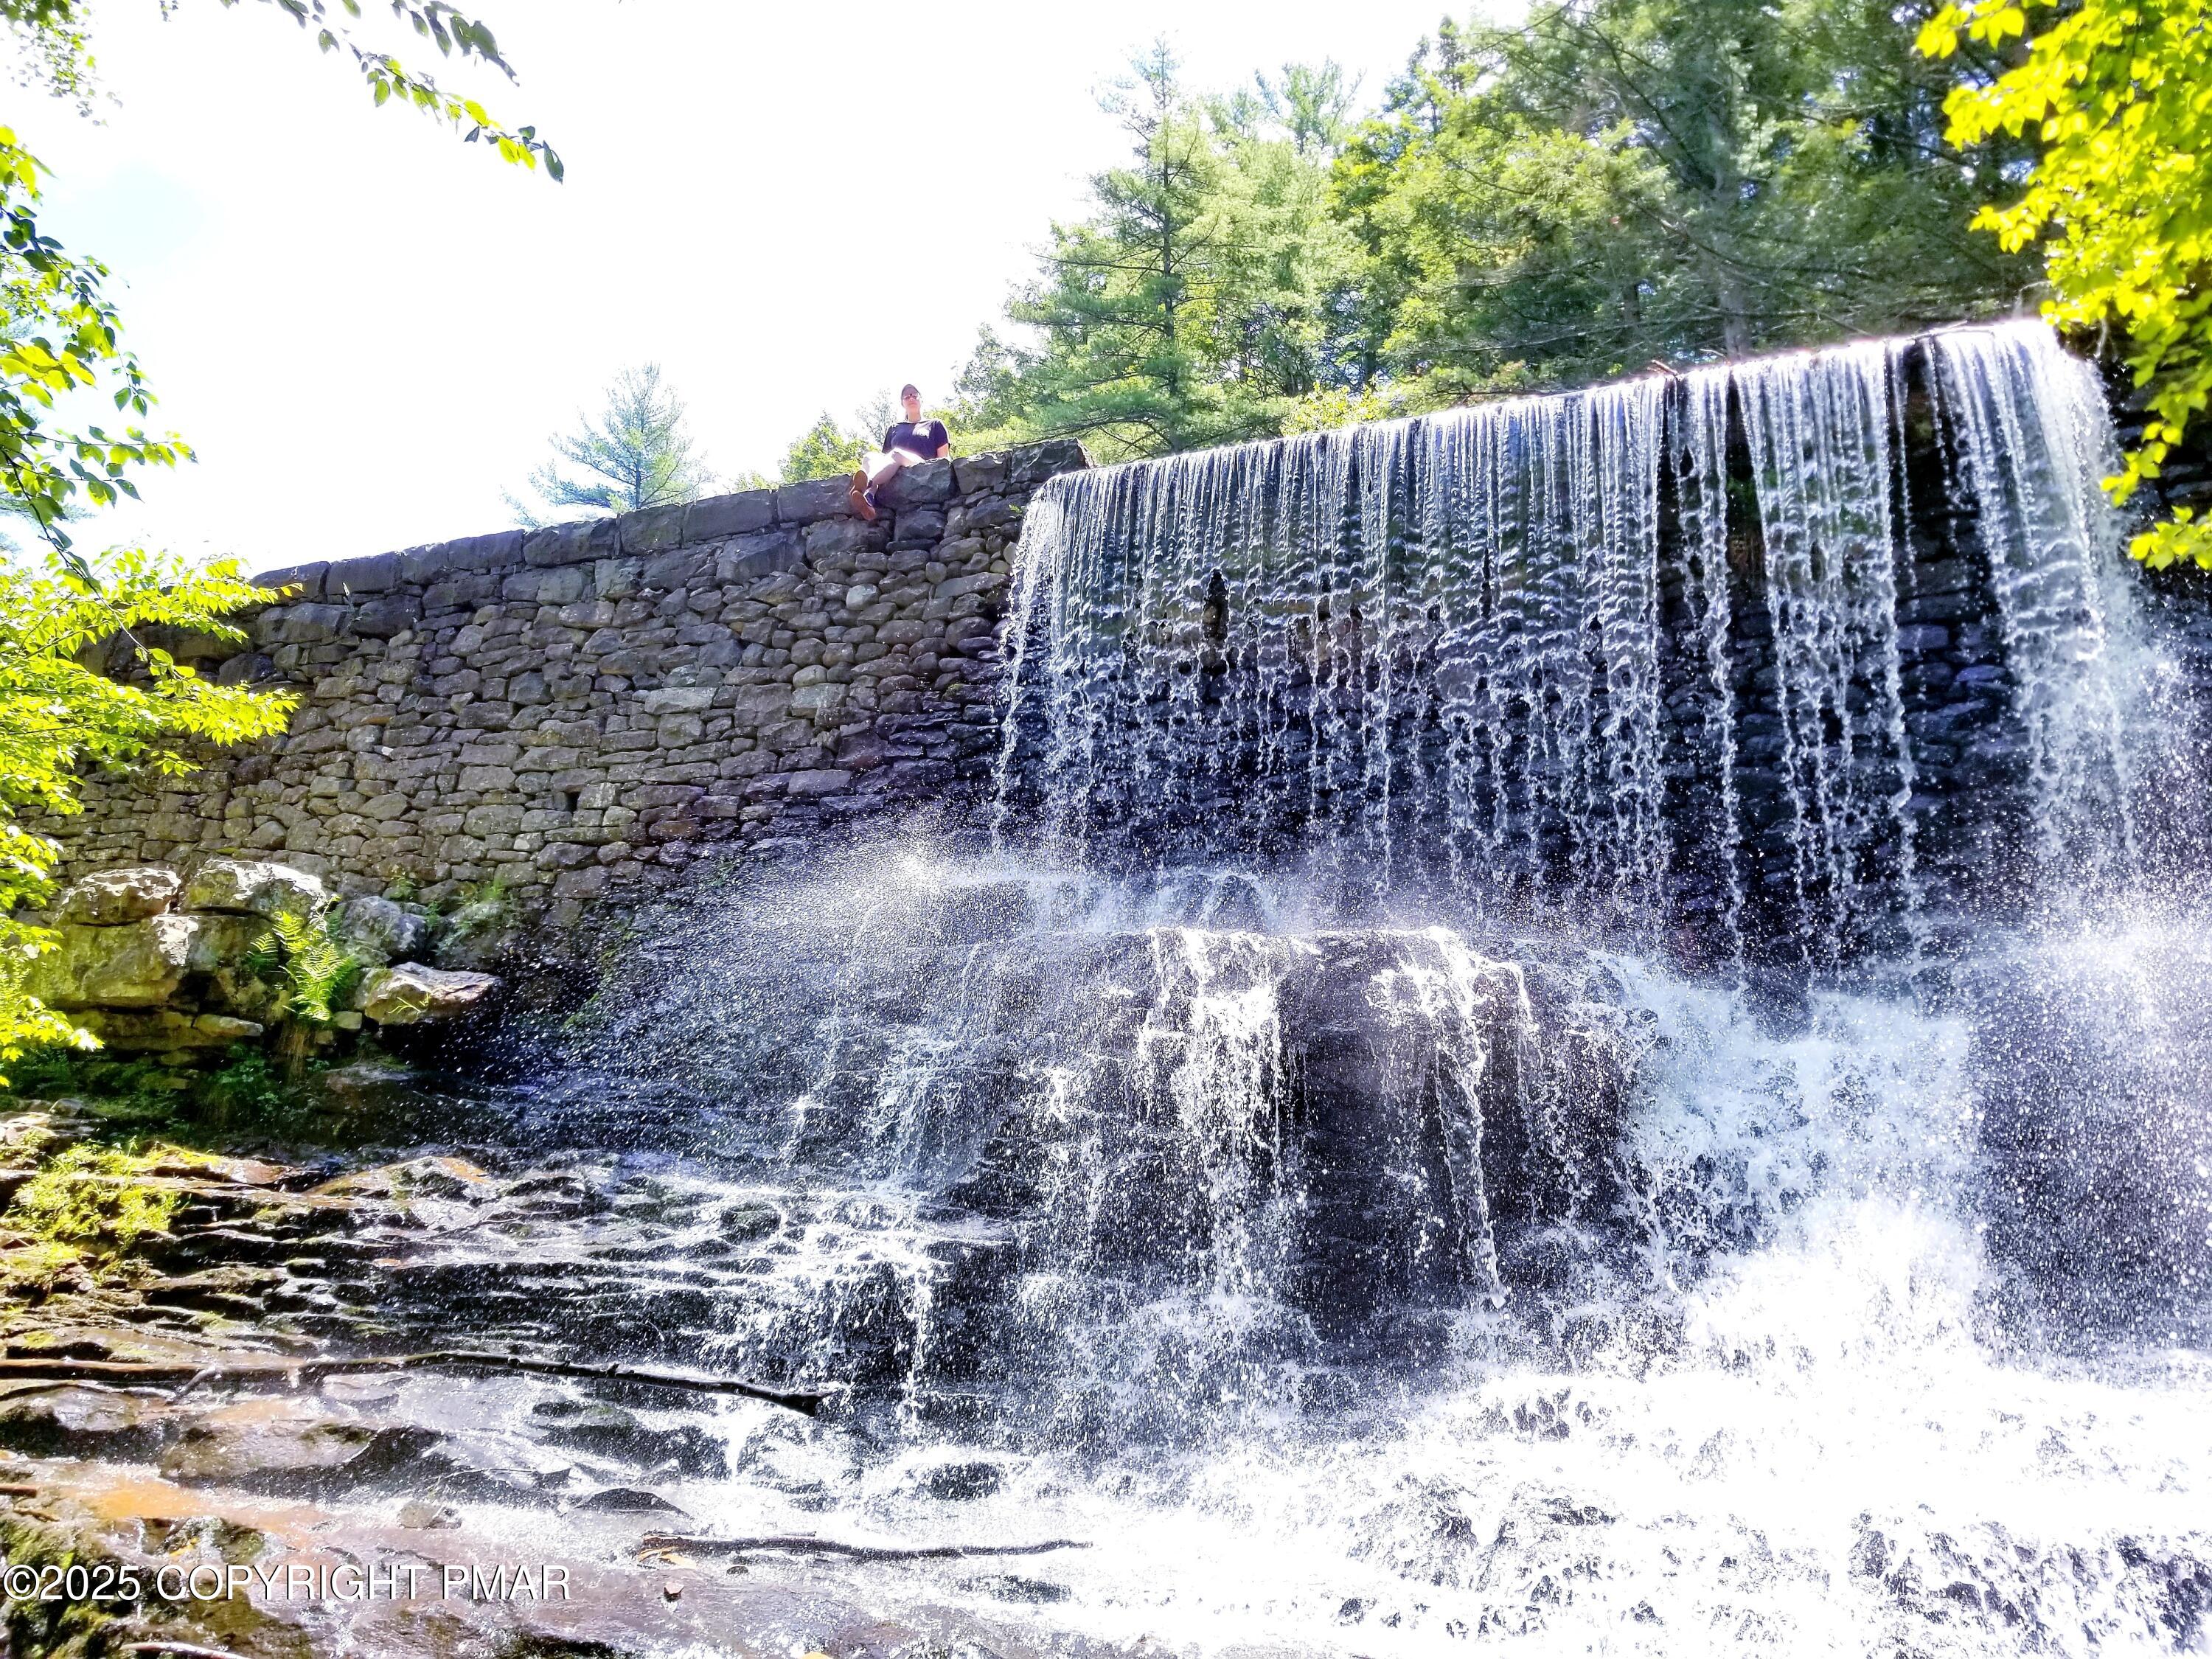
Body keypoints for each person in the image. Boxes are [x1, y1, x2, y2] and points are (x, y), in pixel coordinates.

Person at [849, 384, 949, 522]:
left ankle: (866, 484)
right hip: (896, 464)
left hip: (924, 467)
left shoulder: (935, 424)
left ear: (921, 400)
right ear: (902, 403)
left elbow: (943, 458)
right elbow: (885, 459)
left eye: (914, 395)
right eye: (907, 396)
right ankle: (868, 500)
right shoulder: (895, 428)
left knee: (897, 454)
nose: (911, 398)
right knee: (869, 457)